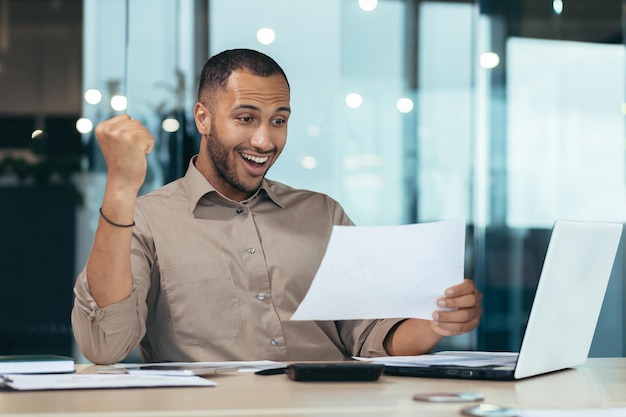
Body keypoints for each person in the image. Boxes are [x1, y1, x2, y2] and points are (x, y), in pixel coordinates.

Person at [72, 48, 482, 365]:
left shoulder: (324, 215)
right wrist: (121, 188)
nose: (265, 141)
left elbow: (370, 335)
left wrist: (435, 323)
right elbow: (104, 345)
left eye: (279, 120)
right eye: (246, 118)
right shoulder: (145, 220)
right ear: (203, 118)